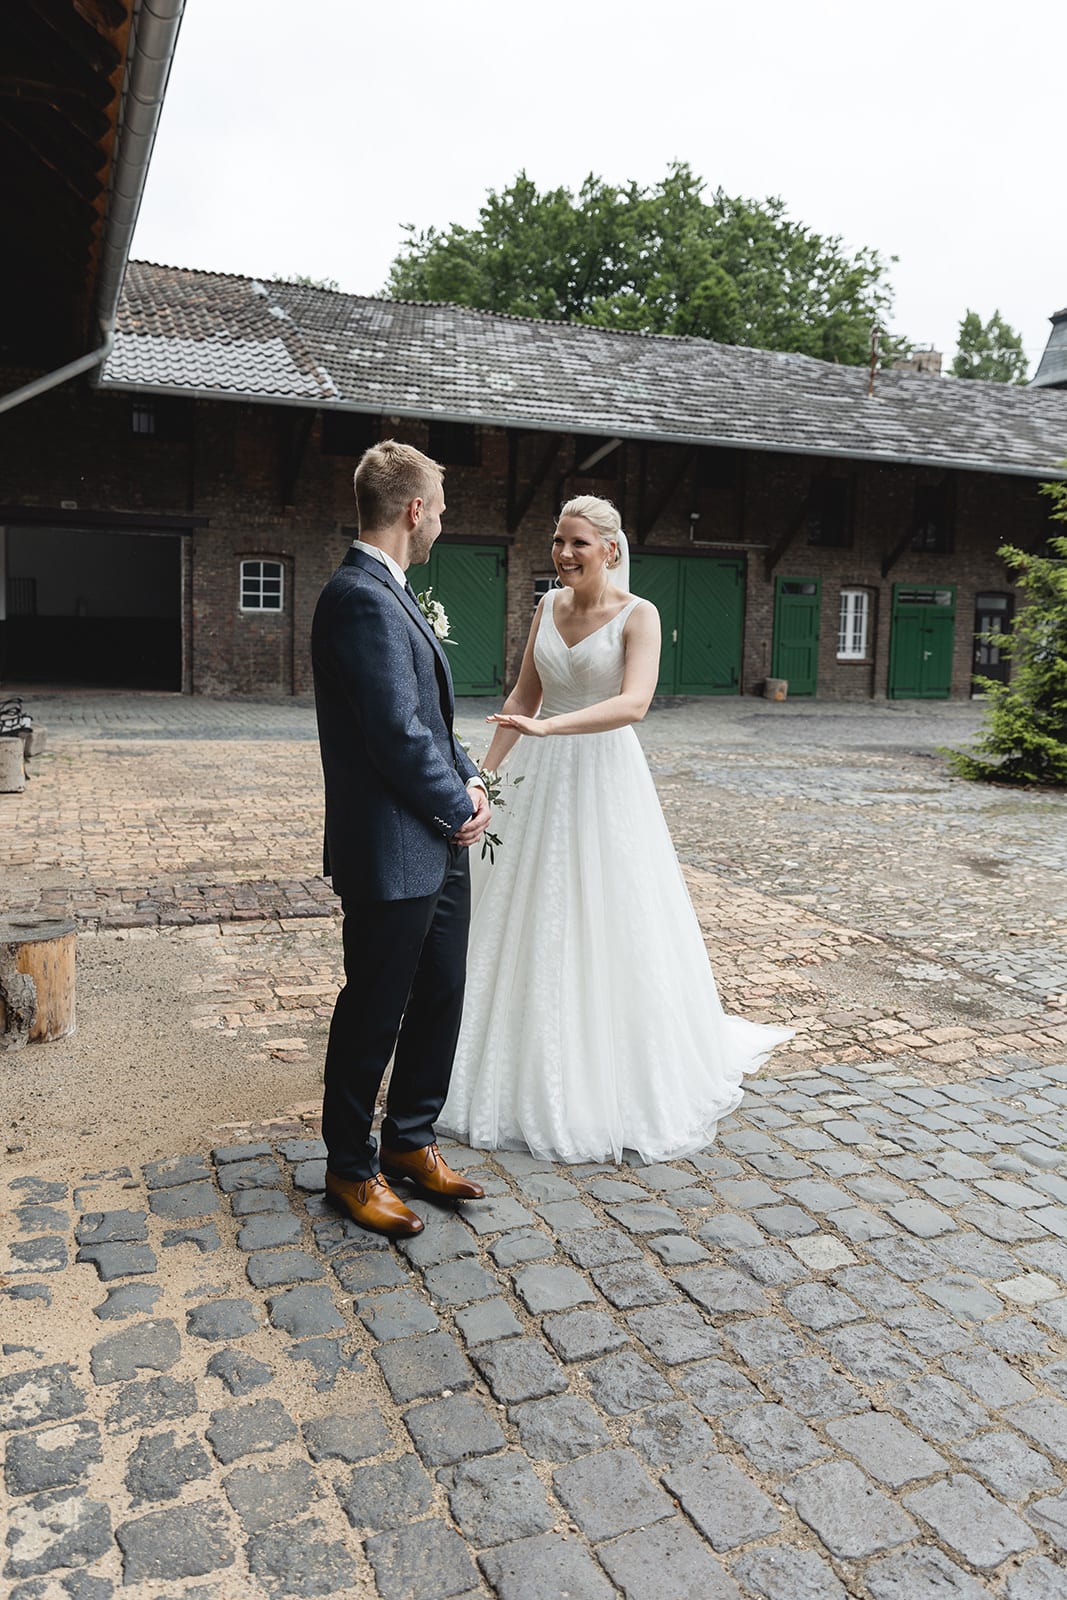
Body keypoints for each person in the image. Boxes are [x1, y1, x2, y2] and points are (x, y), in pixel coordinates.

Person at [441, 494, 792, 1164]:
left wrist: (550, 726)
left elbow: (632, 703)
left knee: (604, 907)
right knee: (515, 905)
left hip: (602, 773)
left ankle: (607, 1059)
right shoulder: (546, 607)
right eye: (557, 542)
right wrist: (480, 776)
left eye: (577, 543)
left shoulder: (640, 616)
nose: (564, 554)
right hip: (537, 774)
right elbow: (521, 698)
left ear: (609, 548)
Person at [311, 440, 491, 1237]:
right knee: (374, 1012)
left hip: (436, 840)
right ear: (414, 510)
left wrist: (470, 778)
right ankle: (350, 1169)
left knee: (440, 997)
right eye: (441, 513)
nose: (442, 527)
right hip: (392, 849)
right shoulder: (359, 597)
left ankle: (411, 1142)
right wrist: (457, 805)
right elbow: (392, 733)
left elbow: (430, 717)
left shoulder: (395, 593)